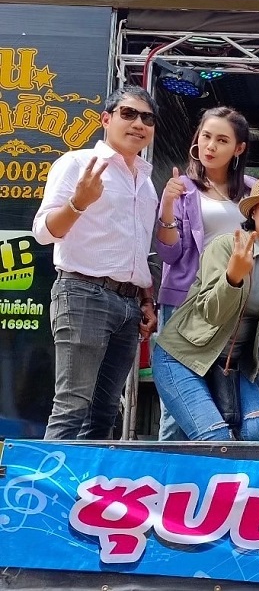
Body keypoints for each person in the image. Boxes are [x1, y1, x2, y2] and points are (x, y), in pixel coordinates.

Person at [32, 85, 159, 440]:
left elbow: (138, 250)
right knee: (72, 406)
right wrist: (79, 203)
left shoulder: (146, 184)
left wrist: (146, 299)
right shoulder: (77, 164)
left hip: (129, 304)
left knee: (105, 413)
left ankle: (86, 480)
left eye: (147, 118)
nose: (138, 124)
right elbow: (43, 232)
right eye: (128, 114)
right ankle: (47, 479)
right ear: (106, 119)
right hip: (83, 292)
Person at [152, 176, 259, 441]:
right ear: (253, 212)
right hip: (183, 357)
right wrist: (233, 278)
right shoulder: (227, 246)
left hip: (230, 367)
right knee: (215, 438)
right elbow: (212, 313)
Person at [155, 106, 256, 441]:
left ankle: (216, 470)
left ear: (239, 148)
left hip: (232, 303)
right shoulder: (181, 188)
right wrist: (167, 208)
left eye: (222, 140)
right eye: (206, 136)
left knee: (224, 398)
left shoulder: (253, 191)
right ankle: (170, 473)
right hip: (185, 302)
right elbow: (169, 254)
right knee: (178, 406)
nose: (211, 146)